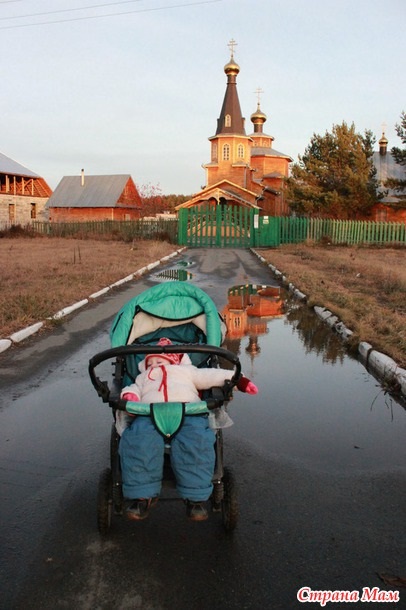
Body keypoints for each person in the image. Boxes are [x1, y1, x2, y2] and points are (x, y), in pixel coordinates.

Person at [118, 338, 258, 522]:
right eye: (149, 362)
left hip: (188, 411)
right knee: (139, 441)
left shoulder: (187, 372)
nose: (154, 365)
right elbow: (133, 388)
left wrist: (240, 381)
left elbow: (211, 376)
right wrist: (130, 397)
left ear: (174, 360)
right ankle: (142, 496)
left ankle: (195, 498)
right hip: (149, 413)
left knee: (196, 442)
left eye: (159, 361)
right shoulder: (143, 377)